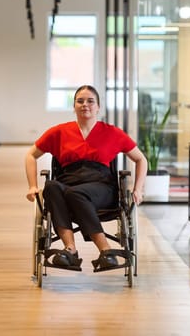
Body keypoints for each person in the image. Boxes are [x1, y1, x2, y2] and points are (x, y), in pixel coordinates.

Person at [25, 84, 147, 271]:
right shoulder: (59, 132)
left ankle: (106, 250)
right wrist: (32, 186)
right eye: (80, 101)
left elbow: (141, 159)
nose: (85, 104)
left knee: (75, 193)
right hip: (68, 183)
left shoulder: (112, 133)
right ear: (74, 106)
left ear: (98, 106)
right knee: (51, 186)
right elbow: (30, 155)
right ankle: (70, 249)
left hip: (102, 188)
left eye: (90, 101)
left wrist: (138, 189)